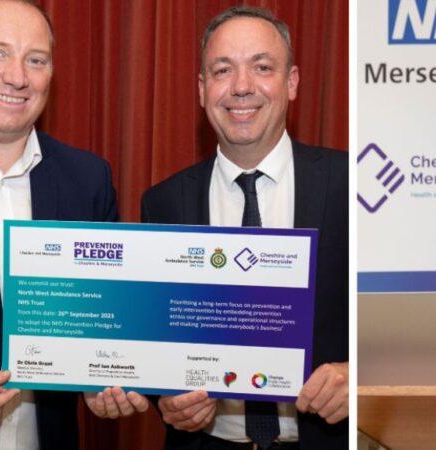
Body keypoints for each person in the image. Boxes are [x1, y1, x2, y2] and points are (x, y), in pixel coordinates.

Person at [141, 6, 348, 450]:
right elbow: (157, 345)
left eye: (261, 67)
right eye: (222, 70)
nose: (241, 87)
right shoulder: (162, 203)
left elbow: (397, 333)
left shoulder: (352, 186)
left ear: (291, 82)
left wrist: (359, 374)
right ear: (202, 89)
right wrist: (168, 399)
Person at [0, 0, 144, 448]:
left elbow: (105, 321)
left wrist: (105, 380)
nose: (18, 77)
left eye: (35, 60)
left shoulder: (89, 180)